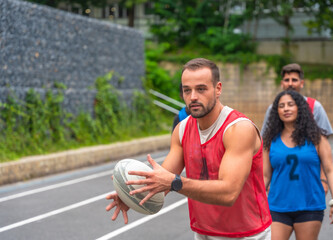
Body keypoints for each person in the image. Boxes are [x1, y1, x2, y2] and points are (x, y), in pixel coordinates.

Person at [106, 58, 272, 239]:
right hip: (203, 233)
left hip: (247, 234)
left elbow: (228, 193)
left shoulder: (238, 129)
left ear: (218, 89)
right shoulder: (182, 130)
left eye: (201, 89)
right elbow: (162, 180)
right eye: (187, 90)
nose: (193, 96)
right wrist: (131, 193)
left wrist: (175, 182)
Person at [262, 90, 333, 240]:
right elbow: (265, 175)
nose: (286, 108)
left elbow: (330, 170)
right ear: (276, 112)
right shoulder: (270, 140)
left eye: (290, 104)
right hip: (277, 207)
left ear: (300, 108)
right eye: (281, 106)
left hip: (310, 206)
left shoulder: (316, 138)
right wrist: (256, 203)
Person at [261, 63, 333, 194]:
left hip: (309, 176)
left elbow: (323, 149)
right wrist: (269, 181)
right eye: (287, 80)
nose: (290, 84)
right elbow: (266, 145)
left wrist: (323, 178)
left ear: (301, 83)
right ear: (282, 83)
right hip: (282, 179)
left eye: (294, 80)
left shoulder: (315, 107)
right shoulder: (273, 110)